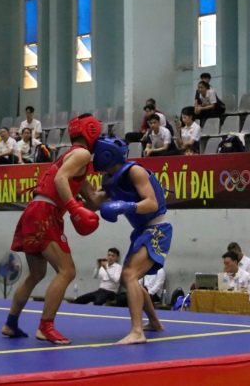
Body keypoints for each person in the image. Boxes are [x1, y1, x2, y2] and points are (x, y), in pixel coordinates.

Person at [1, 114, 102, 345]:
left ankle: (11, 323)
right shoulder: (83, 154)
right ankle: (45, 327)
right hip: (45, 212)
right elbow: (60, 180)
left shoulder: (72, 157)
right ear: (92, 133)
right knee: (67, 271)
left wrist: (117, 191)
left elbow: (94, 199)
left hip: (35, 210)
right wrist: (73, 208)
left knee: (37, 273)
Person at [93, 136, 172, 344]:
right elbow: (94, 201)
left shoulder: (135, 171)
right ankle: (154, 322)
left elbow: (152, 203)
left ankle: (137, 332)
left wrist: (125, 206)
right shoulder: (109, 179)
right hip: (141, 230)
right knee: (128, 278)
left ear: (106, 154)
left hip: (157, 228)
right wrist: (75, 186)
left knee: (129, 275)